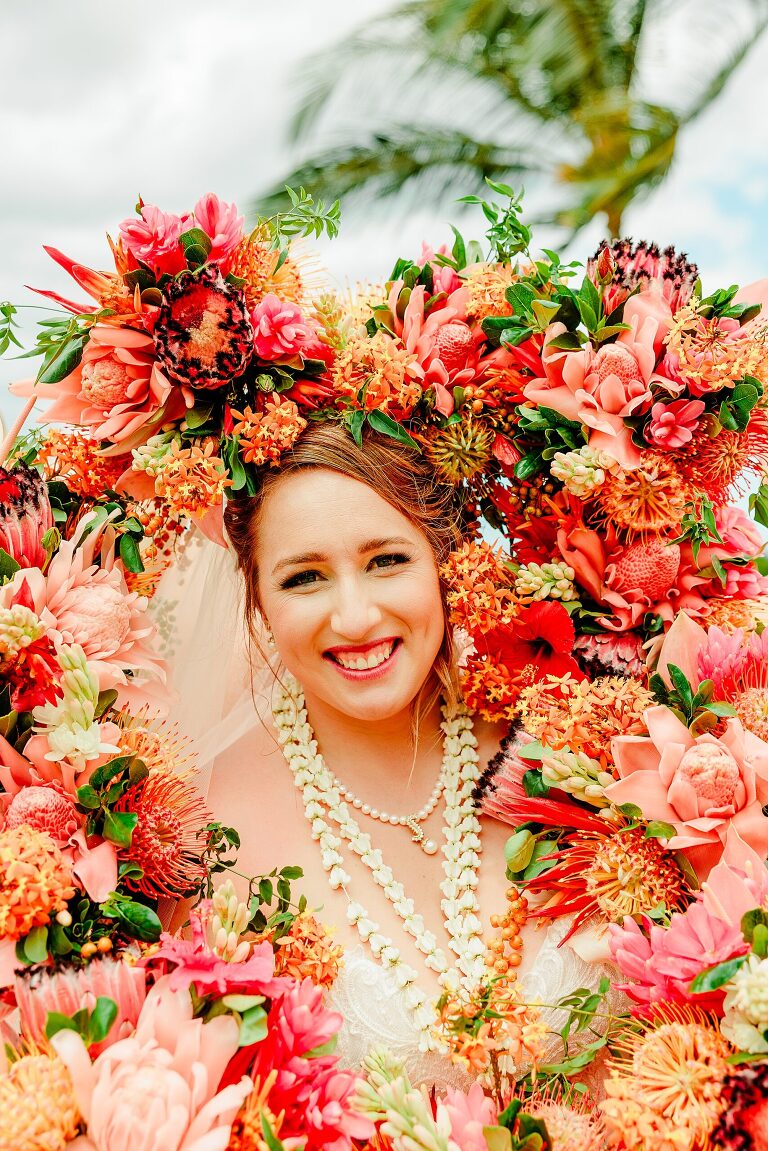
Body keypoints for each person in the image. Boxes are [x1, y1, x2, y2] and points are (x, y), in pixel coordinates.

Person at [161, 421, 615, 1087]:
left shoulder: (570, 735)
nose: (354, 617)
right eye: (305, 577)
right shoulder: (204, 833)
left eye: (386, 561)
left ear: (445, 558)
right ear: (257, 595)